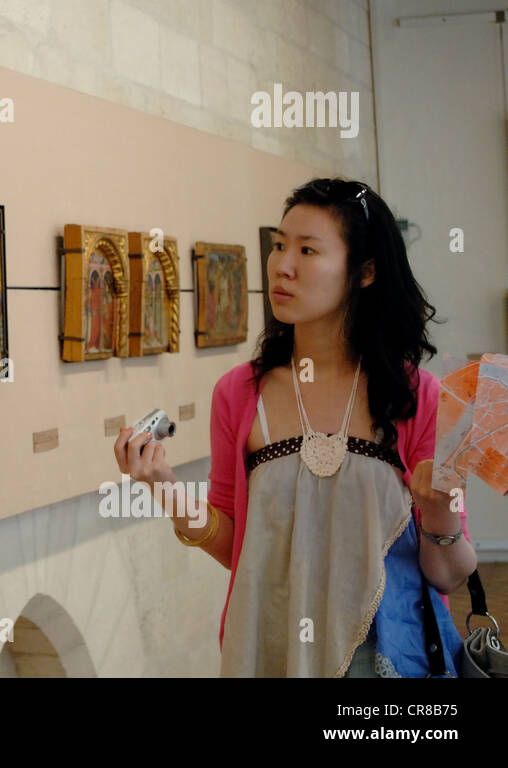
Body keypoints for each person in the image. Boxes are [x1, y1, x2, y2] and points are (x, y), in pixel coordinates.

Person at [112, 178, 476, 676]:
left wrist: (438, 514)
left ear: (365, 271)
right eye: (280, 245)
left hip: (388, 659)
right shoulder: (239, 394)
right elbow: (237, 547)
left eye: (308, 250)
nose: (282, 265)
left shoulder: (417, 396)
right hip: (273, 650)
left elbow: (449, 576)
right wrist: (165, 490)